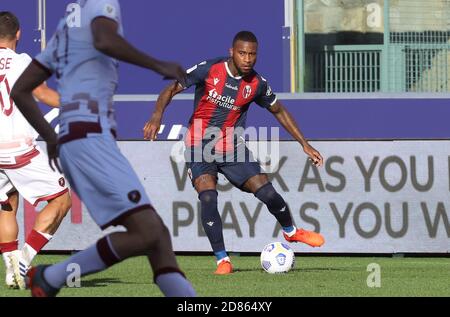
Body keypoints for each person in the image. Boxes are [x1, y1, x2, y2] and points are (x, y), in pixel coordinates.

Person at [11, 0, 195, 297]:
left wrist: (53, 138)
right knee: (149, 232)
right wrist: (158, 65)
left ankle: (50, 278)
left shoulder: (63, 30)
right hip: (90, 138)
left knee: (158, 237)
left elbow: (21, 90)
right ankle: (52, 277)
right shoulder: (101, 3)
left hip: (76, 140)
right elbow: (104, 38)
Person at [143, 31, 325, 275]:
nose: (247, 58)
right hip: (200, 145)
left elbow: (279, 111)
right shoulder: (209, 69)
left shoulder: (257, 84)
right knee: (208, 196)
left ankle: (291, 232)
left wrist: (304, 143)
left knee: (268, 193)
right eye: (242, 53)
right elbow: (171, 89)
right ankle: (223, 260)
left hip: (231, 148)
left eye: (252, 54)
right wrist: (157, 116)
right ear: (232, 52)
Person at [0, 11, 71, 290]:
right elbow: (42, 94)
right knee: (61, 200)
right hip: (17, 149)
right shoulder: (23, 62)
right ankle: (24, 260)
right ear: (18, 34)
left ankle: (10, 269)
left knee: (7, 205)